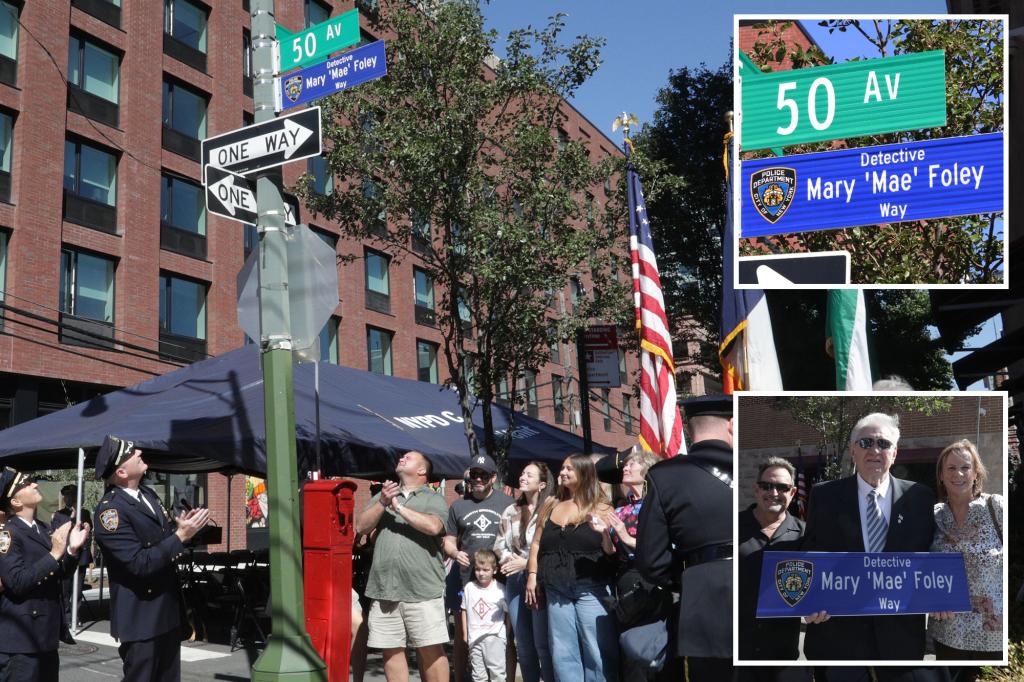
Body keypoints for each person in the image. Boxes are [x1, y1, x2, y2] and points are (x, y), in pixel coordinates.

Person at [802, 414, 936, 670]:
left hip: (900, 640)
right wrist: (810, 599)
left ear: (895, 453)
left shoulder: (920, 497)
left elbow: (930, 557)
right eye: (865, 443)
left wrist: (942, 598)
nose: (875, 450)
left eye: (883, 444)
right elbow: (812, 554)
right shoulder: (824, 495)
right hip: (838, 637)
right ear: (853, 450)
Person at [92, 435, 210, 682]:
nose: (138, 453)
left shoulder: (147, 494)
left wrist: (181, 528)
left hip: (165, 610)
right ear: (122, 472)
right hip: (141, 616)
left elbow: (160, 540)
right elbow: (138, 562)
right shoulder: (110, 511)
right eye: (130, 453)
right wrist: (179, 537)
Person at [634, 395, 734, 682]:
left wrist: (692, 573)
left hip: (704, 601)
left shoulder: (664, 475)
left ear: (689, 431)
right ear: (732, 424)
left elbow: (651, 560)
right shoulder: (758, 468)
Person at [354, 450, 449, 682]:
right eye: (402, 457)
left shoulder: (432, 498)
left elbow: (434, 527)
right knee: (391, 650)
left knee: (430, 651)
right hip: (385, 590)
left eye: (409, 457)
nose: (402, 458)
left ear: (422, 470)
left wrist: (399, 508)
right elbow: (361, 527)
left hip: (423, 590)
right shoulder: (384, 496)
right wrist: (384, 502)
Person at [525, 454, 619, 682]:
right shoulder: (550, 504)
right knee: (562, 652)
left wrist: (604, 534)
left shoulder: (602, 507)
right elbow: (536, 543)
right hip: (557, 589)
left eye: (569, 469)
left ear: (584, 473)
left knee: (597, 650)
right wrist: (532, 576)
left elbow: (612, 551)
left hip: (592, 588)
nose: (563, 472)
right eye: (563, 468)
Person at [0, 467, 90, 681]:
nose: (35, 484)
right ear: (16, 502)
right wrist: (55, 552)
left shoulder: (40, 528)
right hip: (21, 641)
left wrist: (71, 550)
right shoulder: (7, 533)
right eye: (26, 484)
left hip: (44, 635)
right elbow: (17, 582)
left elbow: (58, 573)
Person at [928, 440, 1003, 680]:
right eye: (951, 468)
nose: (958, 474)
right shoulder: (933, 516)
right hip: (948, 634)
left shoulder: (996, 507)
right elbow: (921, 567)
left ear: (976, 472)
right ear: (941, 474)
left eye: (965, 467)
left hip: (994, 636)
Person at [737, 457, 810, 682]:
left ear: (793, 491)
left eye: (782, 487)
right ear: (756, 489)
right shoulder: (731, 527)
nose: (774, 492)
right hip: (738, 653)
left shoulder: (806, 535)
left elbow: (817, 585)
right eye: (767, 486)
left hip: (783, 654)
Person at [595, 448, 663, 682]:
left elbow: (661, 547)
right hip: (624, 580)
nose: (625, 467)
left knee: (650, 648)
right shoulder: (622, 507)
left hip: (650, 581)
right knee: (630, 649)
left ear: (646, 471)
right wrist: (605, 534)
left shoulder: (656, 505)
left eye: (631, 464)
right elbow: (611, 552)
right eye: (625, 465)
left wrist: (625, 535)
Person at [443, 454, 513, 682]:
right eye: (475, 475)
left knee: (504, 635)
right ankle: (462, 678)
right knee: (464, 635)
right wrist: (454, 553)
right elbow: (448, 539)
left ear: (493, 478)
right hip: (466, 578)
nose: (479, 479)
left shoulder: (507, 503)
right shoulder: (458, 506)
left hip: (500, 579)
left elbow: (516, 538)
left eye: (484, 475)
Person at [493, 461, 554, 682]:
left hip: (541, 581)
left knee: (542, 644)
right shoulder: (511, 510)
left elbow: (553, 548)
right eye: (522, 473)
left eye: (529, 475)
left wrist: (527, 563)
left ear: (542, 484)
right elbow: (499, 544)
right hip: (515, 581)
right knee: (524, 645)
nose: (523, 477)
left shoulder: (552, 508)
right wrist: (512, 561)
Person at [462, 549, 507, 682]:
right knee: (478, 675)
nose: (481, 573)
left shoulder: (500, 589)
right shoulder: (469, 587)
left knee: (497, 673)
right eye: (477, 569)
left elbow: (507, 613)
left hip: (494, 636)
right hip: (474, 637)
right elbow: (464, 609)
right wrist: (465, 633)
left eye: (485, 570)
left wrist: (506, 634)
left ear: (494, 570)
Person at [51, 484, 93, 626]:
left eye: (71, 496)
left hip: (80, 557)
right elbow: (57, 531)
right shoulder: (59, 514)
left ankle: (76, 615)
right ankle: (66, 615)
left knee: (78, 588)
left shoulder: (85, 513)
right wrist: (72, 517)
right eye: (66, 496)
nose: (68, 498)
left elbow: (89, 530)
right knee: (65, 588)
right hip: (65, 556)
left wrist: (86, 527)